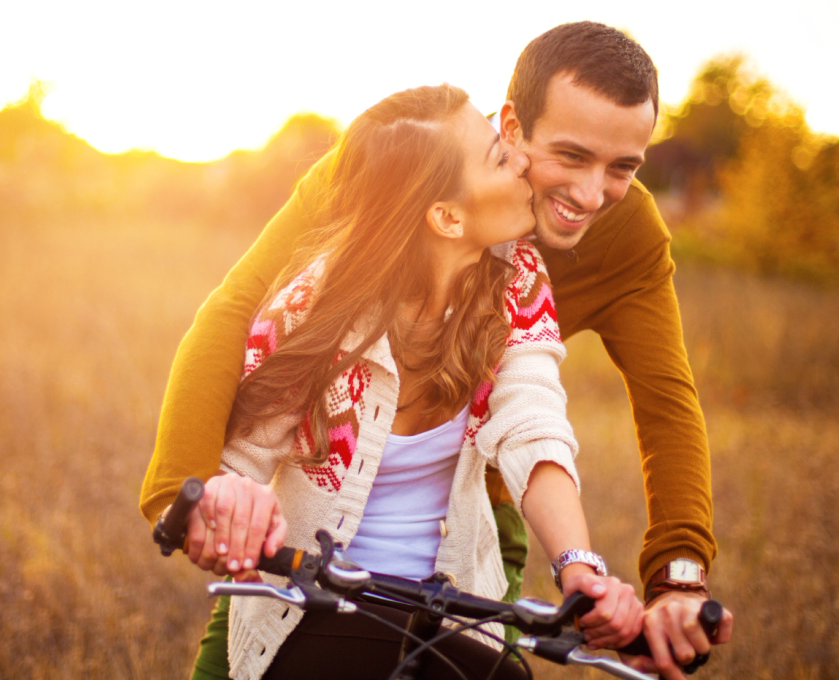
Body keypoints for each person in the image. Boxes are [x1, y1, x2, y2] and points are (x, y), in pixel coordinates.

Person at [141, 21, 734, 680]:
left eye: (622, 167)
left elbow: (648, 406)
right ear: (511, 127)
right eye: (571, 156)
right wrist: (193, 494)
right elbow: (238, 318)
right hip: (313, 522)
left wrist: (669, 577)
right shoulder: (389, 164)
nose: (593, 195)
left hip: (472, 510)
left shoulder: (566, 263)